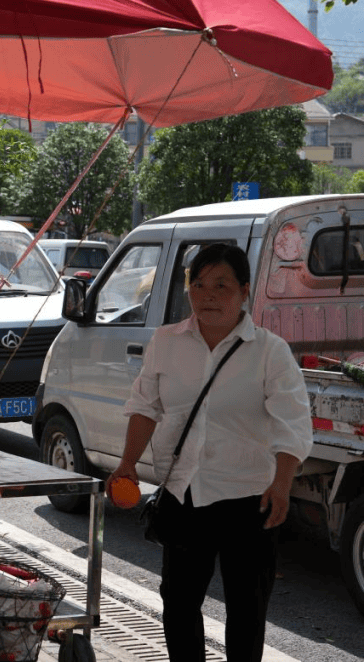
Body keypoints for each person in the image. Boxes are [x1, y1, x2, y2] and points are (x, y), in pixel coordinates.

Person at [106, 243, 312, 662]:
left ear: (244, 292)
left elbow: (292, 422)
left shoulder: (269, 351)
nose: (209, 295)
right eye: (199, 285)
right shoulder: (166, 342)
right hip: (184, 493)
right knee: (178, 603)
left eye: (222, 285)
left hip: (249, 498)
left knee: (247, 608)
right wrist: (127, 463)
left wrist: (282, 484)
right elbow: (145, 406)